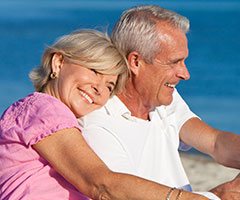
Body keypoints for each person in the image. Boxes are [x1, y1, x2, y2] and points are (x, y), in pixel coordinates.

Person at [0, 29, 209, 200]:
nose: (99, 89)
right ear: (58, 63)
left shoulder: (47, 115)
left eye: (109, 85)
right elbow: (101, 184)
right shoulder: (45, 108)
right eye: (94, 70)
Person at [80, 5, 240, 200]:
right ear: (136, 62)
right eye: (174, 62)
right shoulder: (97, 123)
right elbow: (121, 195)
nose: (185, 74)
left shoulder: (162, 98)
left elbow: (215, 143)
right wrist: (216, 196)